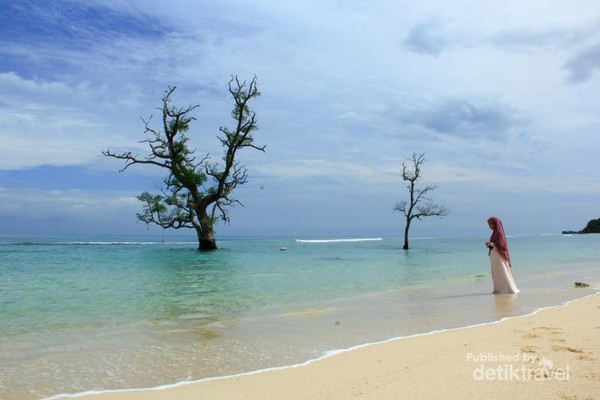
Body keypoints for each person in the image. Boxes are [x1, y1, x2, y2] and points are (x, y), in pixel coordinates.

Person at [485, 216, 520, 294]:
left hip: (499, 258)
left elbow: (502, 246)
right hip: (495, 257)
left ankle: (506, 289)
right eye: (489, 224)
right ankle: (498, 289)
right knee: (496, 273)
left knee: (502, 272)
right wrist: (490, 245)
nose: (489, 226)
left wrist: (492, 244)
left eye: (490, 224)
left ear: (495, 224)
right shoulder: (495, 233)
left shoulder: (499, 233)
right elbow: (495, 245)